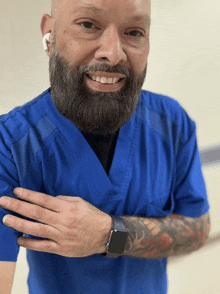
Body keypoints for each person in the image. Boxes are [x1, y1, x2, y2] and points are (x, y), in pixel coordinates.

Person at [0, 0, 210, 293]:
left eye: (134, 32)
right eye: (88, 25)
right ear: (50, 34)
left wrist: (108, 234)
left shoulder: (171, 122)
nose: (112, 54)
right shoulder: (10, 144)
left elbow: (197, 229)